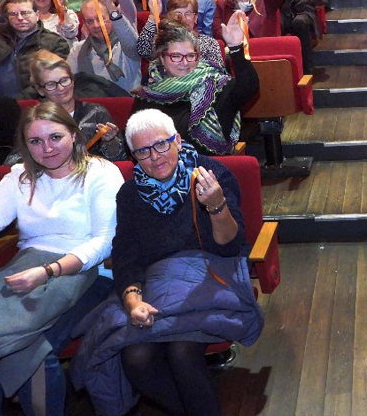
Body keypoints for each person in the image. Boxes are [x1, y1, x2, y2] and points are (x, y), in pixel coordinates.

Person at [0, 102, 124, 416]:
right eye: (35, 141)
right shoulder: (19, 176)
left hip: (88, 272)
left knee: (27, 353)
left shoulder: (101, 173)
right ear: (25, 145)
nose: (47, 148)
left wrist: (48, 272)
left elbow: (104, 242)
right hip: (28, 265)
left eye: (55, 137)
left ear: (74, 134)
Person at [71, 109, 264, 415]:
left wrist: (217, 206)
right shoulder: (131, 194)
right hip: (158, 284)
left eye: (161, 144)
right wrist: (132, 300)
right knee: (136, 359)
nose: (155, 157)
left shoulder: (211, 175)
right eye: (143, 151)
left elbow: (230, 247)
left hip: (209, 278)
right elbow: (126, 253)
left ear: (177, 140)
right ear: (134, 156)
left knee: (182, 352)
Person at [132, 17, 257, 156]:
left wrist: (236, 48)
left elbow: (248, 87)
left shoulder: (215, 85)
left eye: (190, 56)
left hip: (210, 164)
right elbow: (135, 140)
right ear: (162, 58)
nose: (185, 63)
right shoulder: (148, 96)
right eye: (176, 56)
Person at [0, 0, 72, 98]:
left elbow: (50, 82)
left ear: (37, 15)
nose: (20, 18)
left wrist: (15, 102)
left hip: (30, 103)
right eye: (13, 14)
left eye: (25, 13)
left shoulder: (54, 43)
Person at [29, 58, 128, 161]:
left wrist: (111, 142)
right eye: (51, 84)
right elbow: (20, 158)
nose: (61, 88)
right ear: (40, 90)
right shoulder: (34, 119)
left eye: (64, 80)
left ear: (72, 81)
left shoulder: (96, 113)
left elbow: (121, 159)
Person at [137, 0, 226, 73]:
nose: (183, 18)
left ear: (195, 18)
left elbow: (218, 74)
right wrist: (153, 16)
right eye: (178, 13)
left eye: (188, 13)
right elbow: (142, 50)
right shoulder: (161, 42)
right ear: (169, 17)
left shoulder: (209, 43)